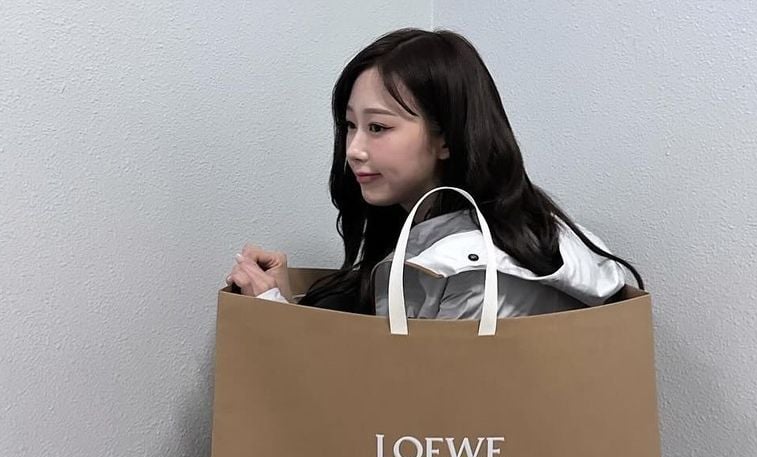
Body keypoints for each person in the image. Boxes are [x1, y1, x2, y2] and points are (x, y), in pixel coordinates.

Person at [226, 28, 642, 318]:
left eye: (378, 127)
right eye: (350, 125)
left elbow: (405, 409)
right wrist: (289, 302)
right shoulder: (441, 237)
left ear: (447, 138)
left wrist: (273, 313)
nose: (353, 149)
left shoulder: (474, 275)